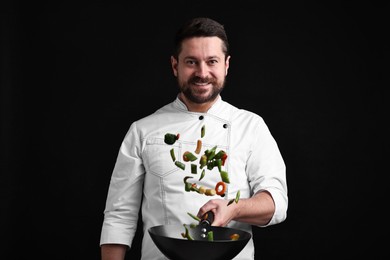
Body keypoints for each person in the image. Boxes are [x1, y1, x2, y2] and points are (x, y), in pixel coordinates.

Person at [100, 17, 288, 260]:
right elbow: (119, 215)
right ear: (175, 65)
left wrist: (234, 208)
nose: (202, 73)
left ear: (226, 65)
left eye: (212, 62)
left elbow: (276, 204)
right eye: (191, 62)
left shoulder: (251, 126)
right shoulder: (142, 131)